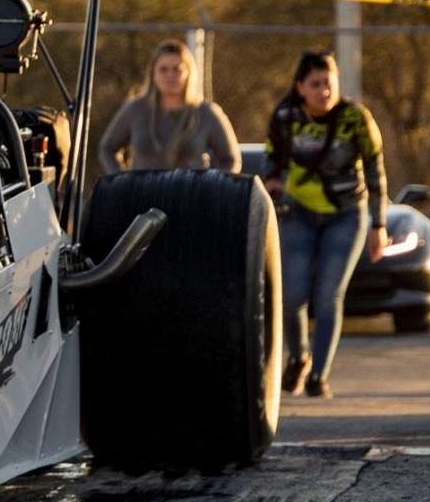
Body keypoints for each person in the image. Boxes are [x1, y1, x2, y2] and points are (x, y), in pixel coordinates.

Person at [264, 51, 387, 399]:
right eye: (315, 84)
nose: (323, 91)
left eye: (328, 83)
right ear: (300, 87)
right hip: (299, 211)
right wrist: (274, 181)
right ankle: (299, 355)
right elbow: (274, 156)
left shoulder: (355, 118)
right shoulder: (286, 116)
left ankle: (319, 374)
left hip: (346, 214)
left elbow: (376, 170)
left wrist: (379, 225)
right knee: (292, 293)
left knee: (328, 293)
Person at [98, 39, 240, 173]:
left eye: (177, 69)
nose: (170, 75)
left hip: (190, 194)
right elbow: (107, 148)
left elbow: (231, 160)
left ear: (189, 73)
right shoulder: (136, 109)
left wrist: (216, 188)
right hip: (143, 195)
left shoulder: (206, 112)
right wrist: (122, 181)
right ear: (153, 73)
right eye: (163, 69)